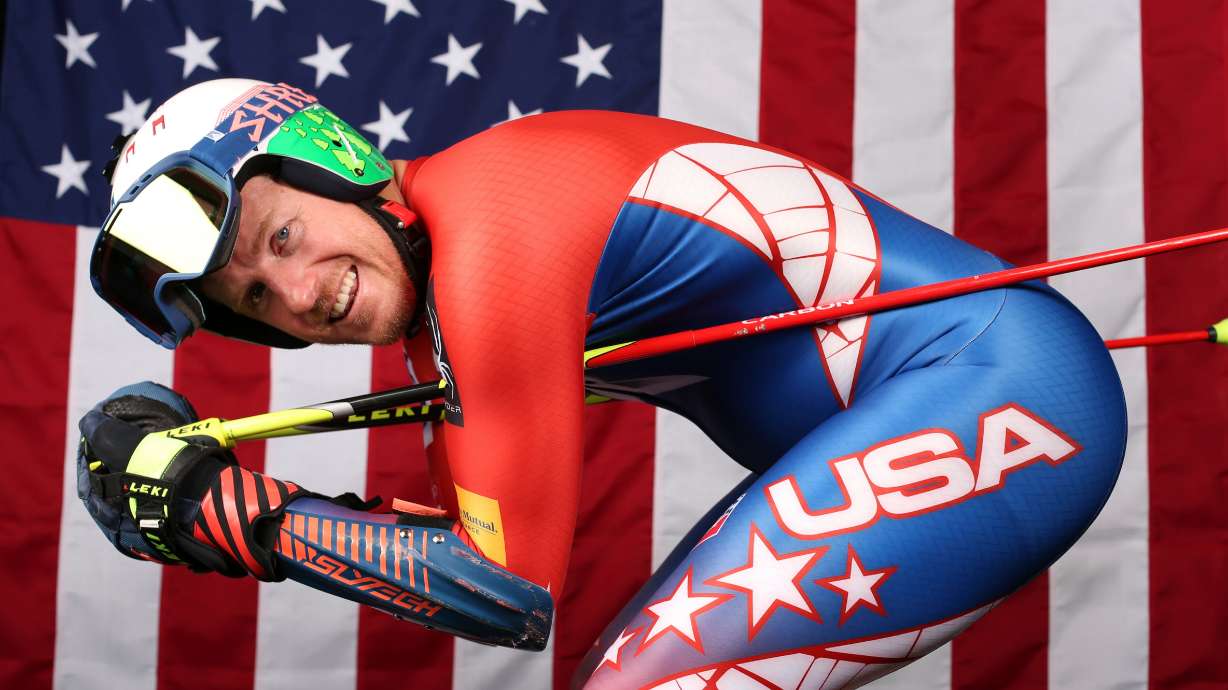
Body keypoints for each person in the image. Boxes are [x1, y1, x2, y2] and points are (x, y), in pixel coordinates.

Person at [81, 78, 1126, 689]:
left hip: (1001, 391)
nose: (298, 293)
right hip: (957, 394)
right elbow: (460, 551)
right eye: (255, 297)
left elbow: (499, 588)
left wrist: (221, 510)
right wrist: (227, 507)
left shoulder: (493, 230)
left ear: (327, 161)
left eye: (284, 237)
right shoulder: (447, 303)